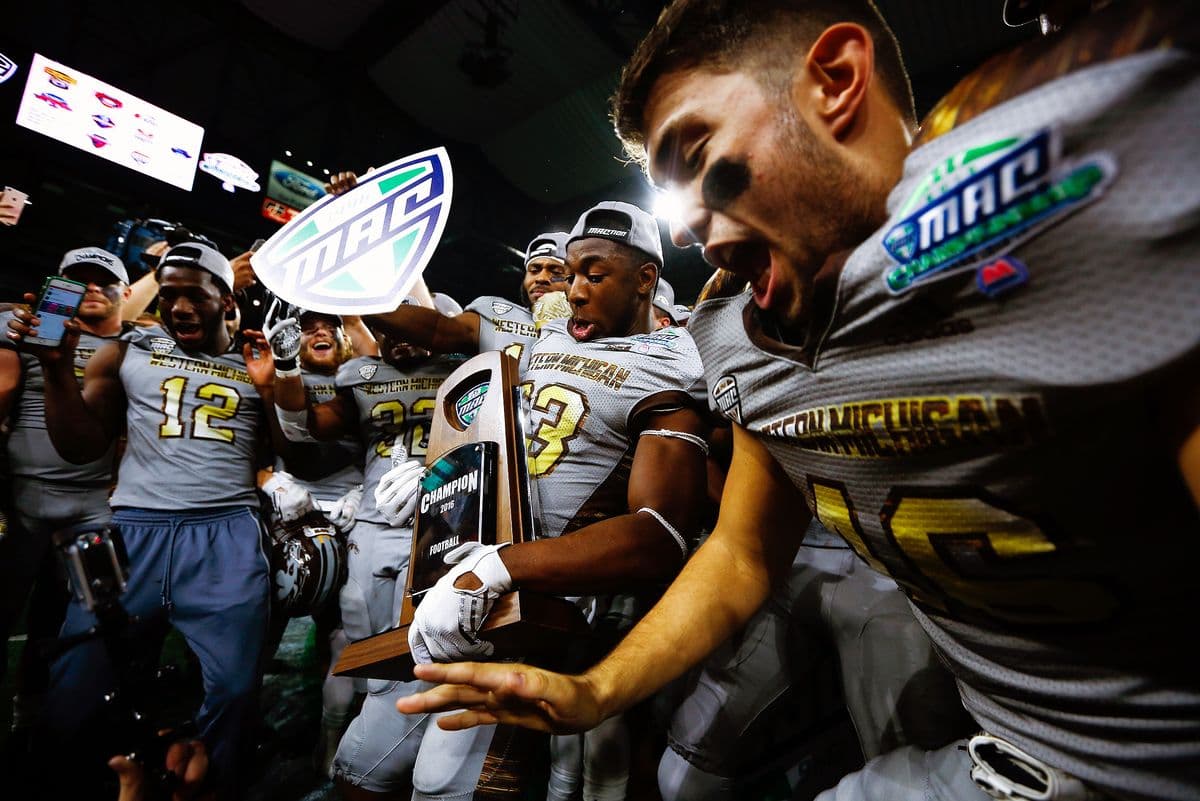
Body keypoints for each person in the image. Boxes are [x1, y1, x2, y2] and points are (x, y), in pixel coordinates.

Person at [397, 2, 1200, 800]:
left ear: (837, 81)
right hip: (998, 757)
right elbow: (743, 551)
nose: (682, 234)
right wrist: (596, 691)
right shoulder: (738, 328)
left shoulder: (1058, 214)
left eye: (694, 147)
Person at [406, 200, 710, 801]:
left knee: (588, 777)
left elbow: (659, 534)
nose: (572, 291)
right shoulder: (543, 336)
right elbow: (488, 429)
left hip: (578, 606)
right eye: (570, 275)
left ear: (646, 279)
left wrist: (498, 570)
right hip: (484, 585)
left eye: (593, 275)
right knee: (437, 779)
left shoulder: (675, 363)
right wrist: (432, 473)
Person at [7, 241, 284, 798]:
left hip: (227, 532)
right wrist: (57, 370)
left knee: (232, 691)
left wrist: (276, 391)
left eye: (194, 295)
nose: (179, 308)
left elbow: (293, 457)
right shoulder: (130, 347)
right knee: (74, 680)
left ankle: (206, 789)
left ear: (227, 301)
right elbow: (82, 446)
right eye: (170, 295)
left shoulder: (260, 360)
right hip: (128, 528)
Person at [268, 302, 464, 799]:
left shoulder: (463, 365)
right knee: (360, 640)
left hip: (444, 523)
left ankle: (403, 752)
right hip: (375, 523)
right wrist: (286, 370)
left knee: (428, 643)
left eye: (404, 327)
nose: (395, 338)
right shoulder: (359, 373)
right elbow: (303, 429)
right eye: (383, 328)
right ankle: (357, 744)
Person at [0, 247, 134, 728]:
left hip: (93, 506)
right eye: (79, 281)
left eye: (104, 281)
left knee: (71, 622)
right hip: (18, 503)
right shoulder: (20, 329)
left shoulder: (141, 346)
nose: (92, 289)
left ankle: (35, 711)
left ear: (126, 292)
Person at [366, 231, 571, 366]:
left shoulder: (598, 330)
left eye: (556, 271)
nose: (541, 278)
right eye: (534, 270)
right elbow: (438, 330)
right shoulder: (493, 313)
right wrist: (359, 303)